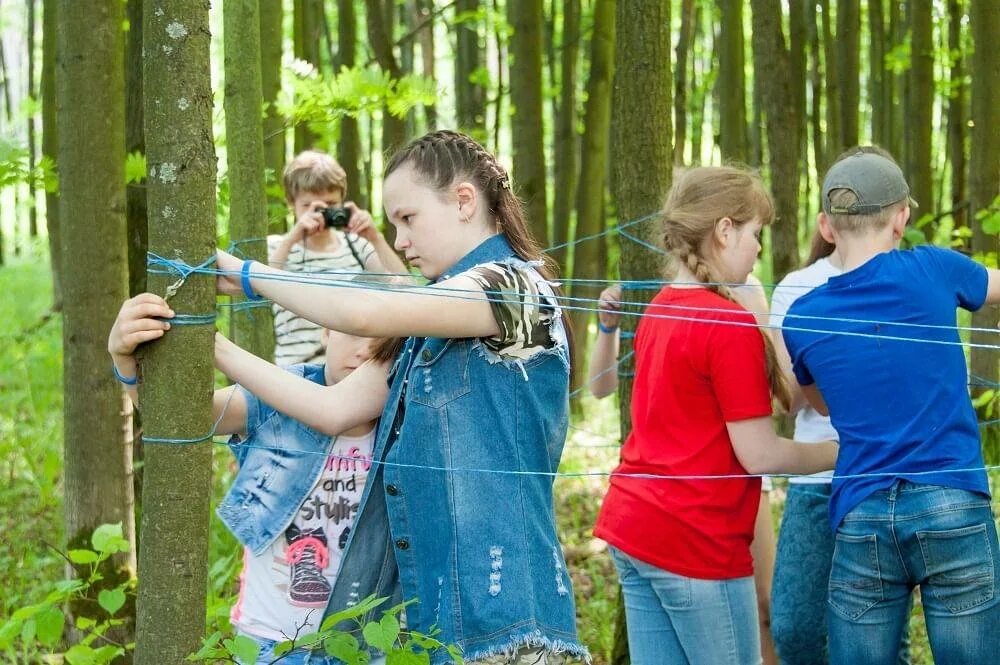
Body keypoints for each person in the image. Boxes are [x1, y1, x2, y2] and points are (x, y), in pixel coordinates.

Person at [212, 130, 589, 664]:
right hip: (435, 622)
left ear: (464, 201)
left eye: (408, 219)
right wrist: (215, 347)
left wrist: (251, 276)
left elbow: (366, 314)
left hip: (509, 623)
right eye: (393, 225)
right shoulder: (429, 323)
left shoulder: (515, 289)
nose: (402, 240)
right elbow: (332, 407)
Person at [593, 166, 838, 665]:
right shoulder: (727, 326)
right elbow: (760, 453)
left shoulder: (661, 307)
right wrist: (847, 451)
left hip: (634, 529)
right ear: (724, 231)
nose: (760, 249)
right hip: (693, 544)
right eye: (755, 234)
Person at [781, 149, 1000, 664]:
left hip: (863, 513)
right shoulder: (934, 268)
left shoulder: (803, 317)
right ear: (902, 217)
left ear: (828, 227)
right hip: (952, 501)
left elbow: (824, 404)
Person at [107, 290, 400, 664]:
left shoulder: (406, 421)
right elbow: (178, 413)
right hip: (269, 643)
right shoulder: (278, 395)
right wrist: (123, 360)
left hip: (364, 644)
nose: (365, 351)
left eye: (385, 341)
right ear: (325, 330)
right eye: (354, 332)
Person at [588, 278, 780, 665]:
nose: (757, 244)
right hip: (685, 505)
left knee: (765, 602)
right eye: (753, 232)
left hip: (740, 475)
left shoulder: (743, 295)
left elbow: (776, 396)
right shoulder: (663, 299)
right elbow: (599, 387)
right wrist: (608, 328)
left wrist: (760, 315)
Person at [769, 147, 911, 665]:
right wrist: (833, 355)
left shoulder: (916, 282)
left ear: (898, 218)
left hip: (892, 480)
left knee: (882, 643)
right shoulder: (797, 289)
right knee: (796, 628)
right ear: (829, 225)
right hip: (817, 481)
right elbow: (789, 399)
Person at [268, 150, 409, 366]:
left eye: (330, 204)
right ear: (291, 203)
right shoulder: (277, 247)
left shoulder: (358, 246)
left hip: (353, 370)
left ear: (342, 201)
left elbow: (406, 289)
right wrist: (293, 238)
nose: (320, 214)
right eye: (309, 206)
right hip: (294, 371)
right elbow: (261, 289)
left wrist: (375, 238)